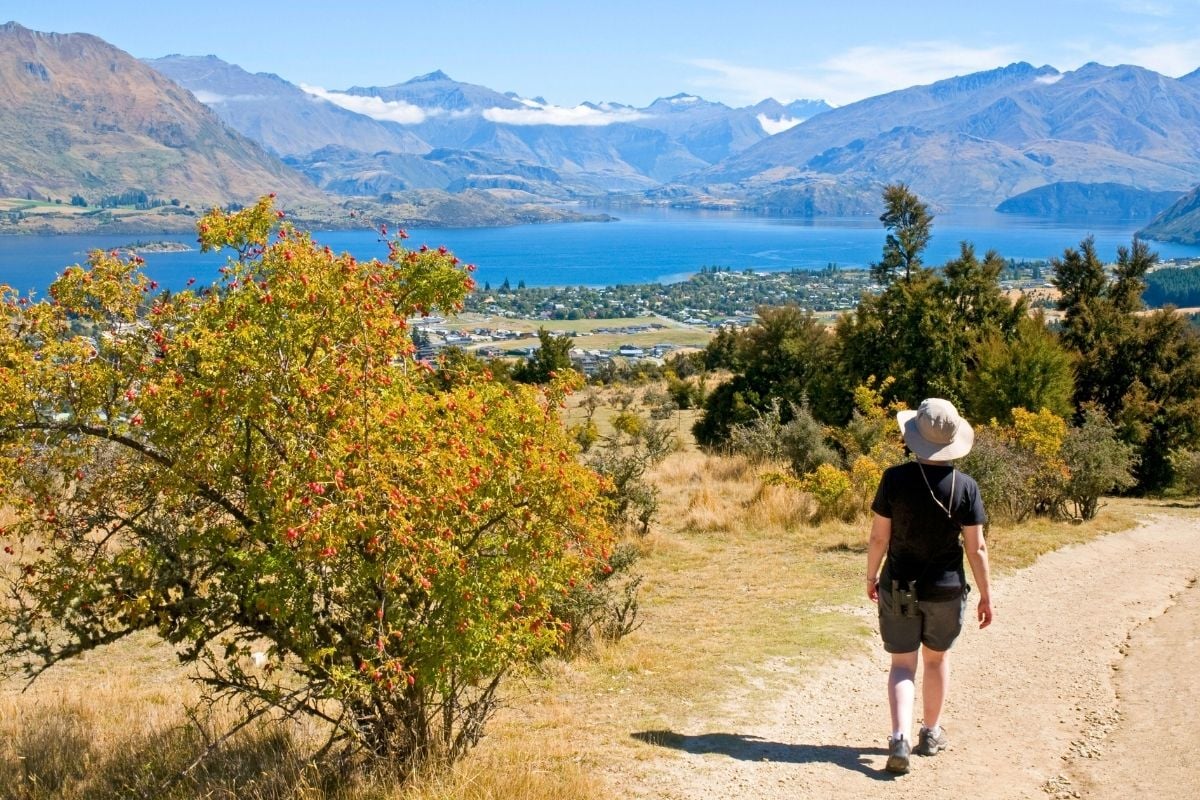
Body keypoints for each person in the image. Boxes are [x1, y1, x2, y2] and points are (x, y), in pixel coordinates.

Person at [865, 397, 993, 775]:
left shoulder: (894, 479)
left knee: (902, 665)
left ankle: (899, 738)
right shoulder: (965, 486)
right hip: (946, 589)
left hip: (898, 585)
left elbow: (877, 538)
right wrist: (986, 594)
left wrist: (871, 576)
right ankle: (931, 733)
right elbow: (977, 547)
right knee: (936, 660)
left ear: (914, 438)